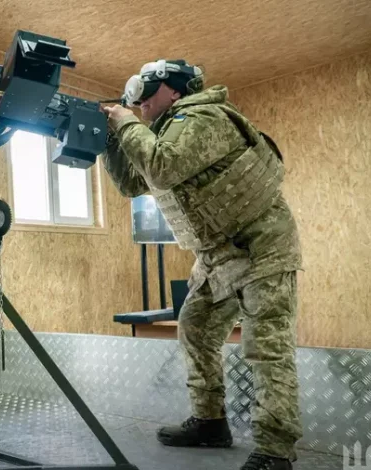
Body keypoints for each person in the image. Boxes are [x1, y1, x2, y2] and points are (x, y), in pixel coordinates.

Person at [100, 59, 303, 470]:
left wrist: (125, 122)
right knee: (195, 327)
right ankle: (210, 423)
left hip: (261, 248)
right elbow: (132, 183)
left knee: (266, 347)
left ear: (175, 91)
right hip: (217, 256)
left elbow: (162, 166)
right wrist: (107, 140)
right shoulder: (164, 131)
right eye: (137, 99)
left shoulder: (204, 116)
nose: (140, 102)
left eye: (148, 93)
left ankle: (275, 450)